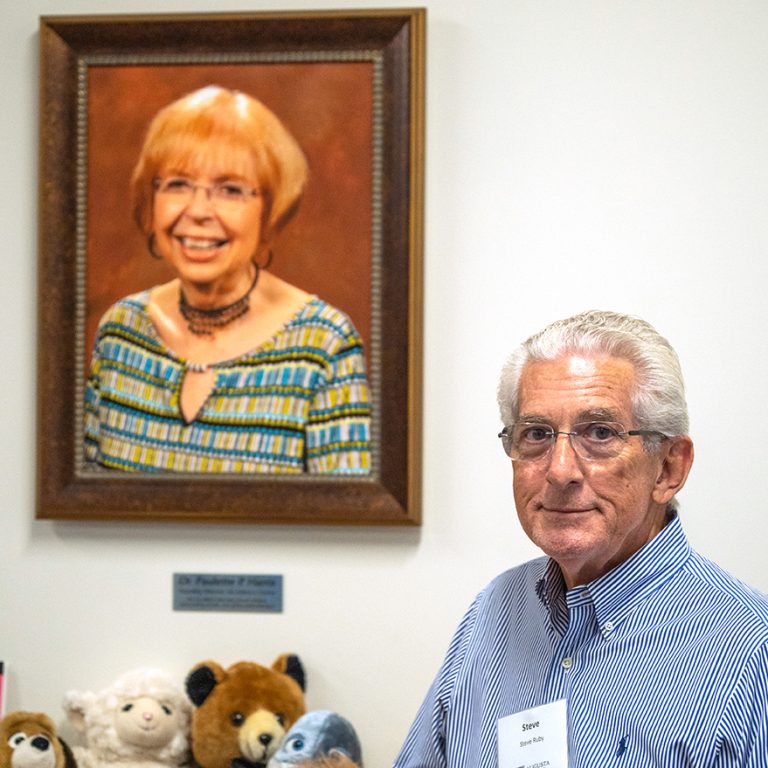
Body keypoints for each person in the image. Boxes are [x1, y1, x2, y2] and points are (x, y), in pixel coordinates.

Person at [394, 310, 768, 766]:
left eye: (599, 433)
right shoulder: (494, 611)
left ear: (669, 468)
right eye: (536, 434)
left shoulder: (752, 651)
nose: (560, 471)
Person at [84, 85, 371, 474]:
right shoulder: (121, 332)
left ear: (269, 209)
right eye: (177, 184)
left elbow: (348, 525)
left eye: (230, 190)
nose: (199, 211)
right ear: (150, 203)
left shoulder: (323, 344)